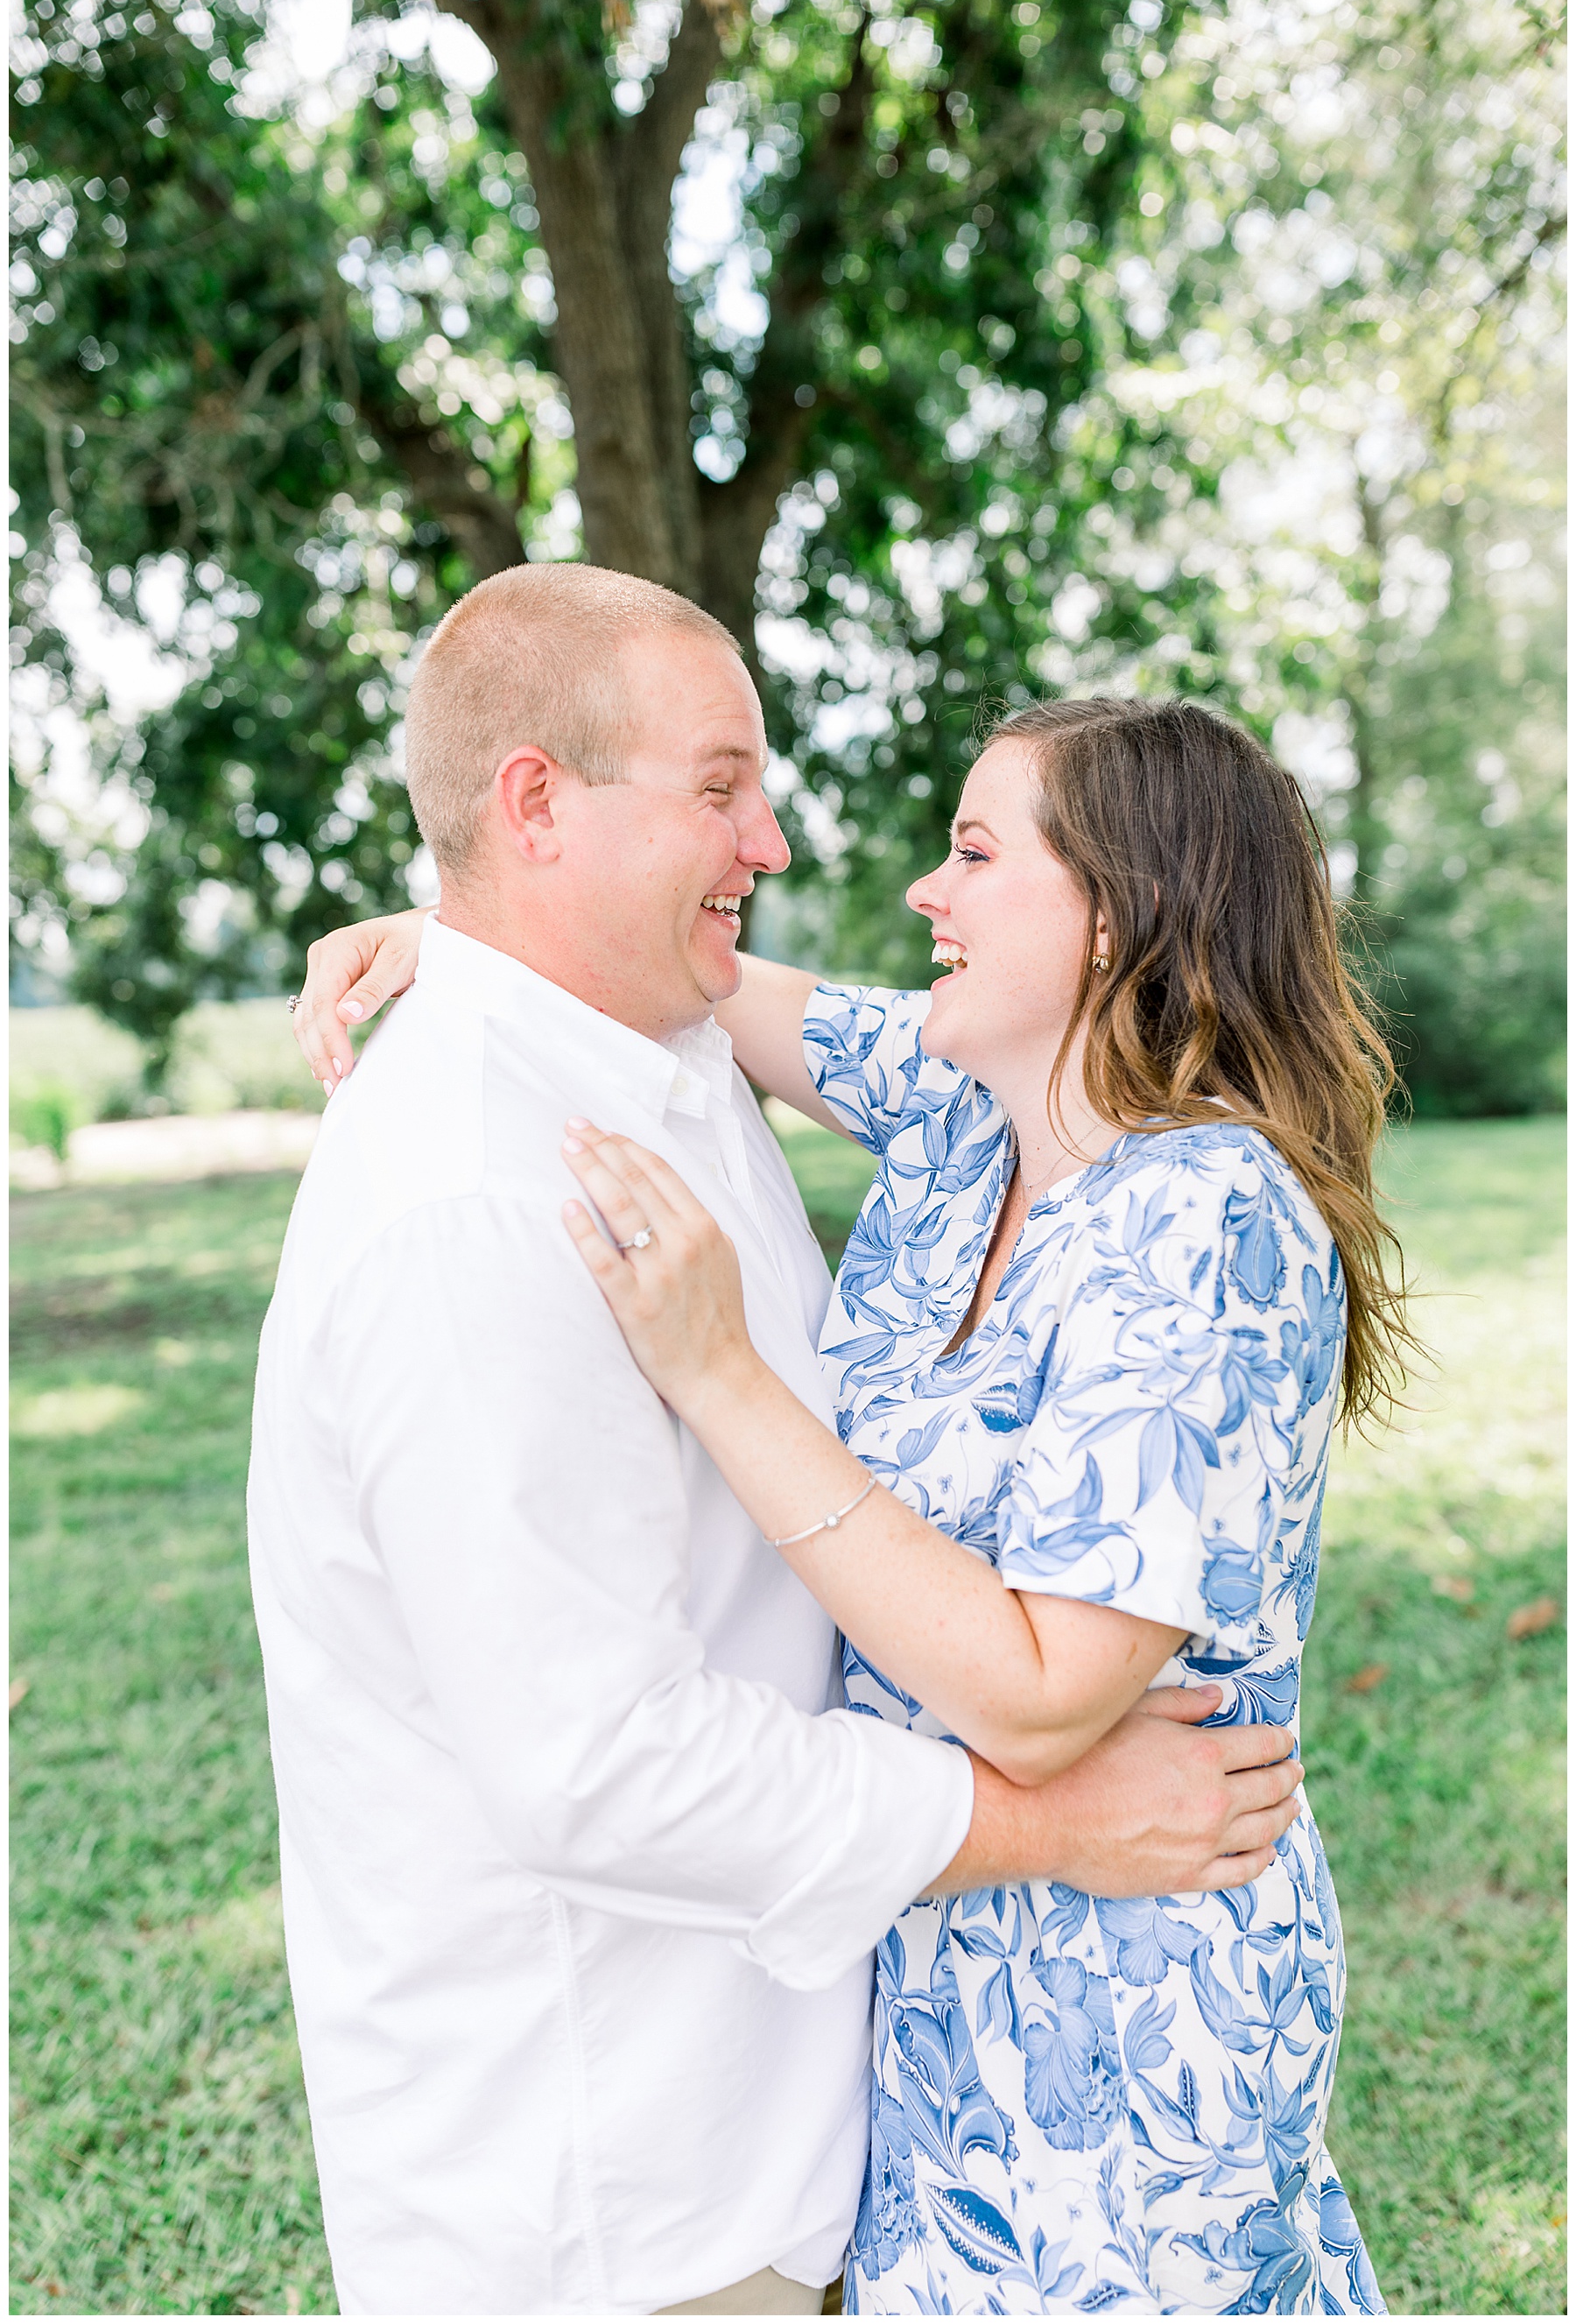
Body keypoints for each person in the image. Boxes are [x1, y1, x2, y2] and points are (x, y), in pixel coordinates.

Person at [263, 569, 1305, 2319]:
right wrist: (453, 927)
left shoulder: (1101, 1173)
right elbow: (596, 1766)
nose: (792, 844)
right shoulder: (498, 1190)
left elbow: (667, 959)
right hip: (624, 2194)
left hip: (1028, 2078)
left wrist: (480, 927)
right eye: (723, 785)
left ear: (1115, 922)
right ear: (537, 802)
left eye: (979, 855)